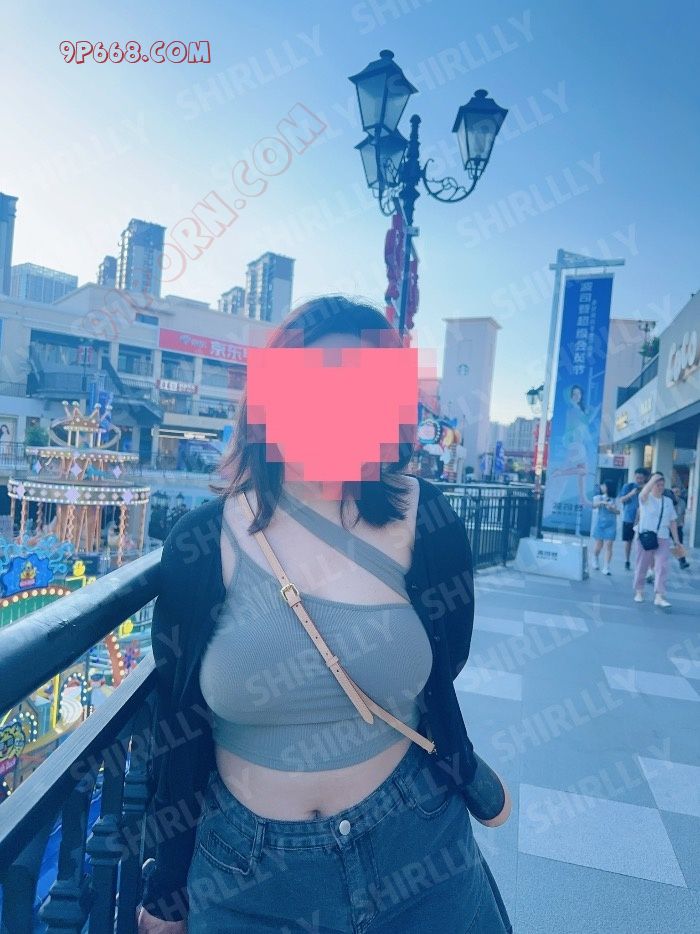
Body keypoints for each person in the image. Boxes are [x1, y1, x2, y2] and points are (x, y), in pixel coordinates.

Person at [138, 297, 512, 933]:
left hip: (420, 848)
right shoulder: (202, 542)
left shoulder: (429, 520)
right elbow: (179, 722)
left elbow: (446, 660)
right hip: (248, 877)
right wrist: (168, 889)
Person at [633, 472, 683, 607]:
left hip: (663, 537)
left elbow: (672, 521)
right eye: (657, 485)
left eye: (662, 485)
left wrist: (676, 540)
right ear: (651, 485)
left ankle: (659, 596)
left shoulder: (668, 501)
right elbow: (642, 494)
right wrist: (652, 479)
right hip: (646, 537)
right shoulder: (646, 498)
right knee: (642, 565)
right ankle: (639, 591)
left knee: (662, 566)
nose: (660, 487)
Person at [619, 467, 650, 570]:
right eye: (637, 477)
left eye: (641, 478)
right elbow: (621, 500)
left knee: (642, 541)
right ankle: (627, 560)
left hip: (644, 519)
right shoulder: (628, 486)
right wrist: (631, 494)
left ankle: (641, 563)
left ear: (645, 478)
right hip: (629, 518)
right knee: (628, 541)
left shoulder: (648, 488)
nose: (639, 480)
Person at [591, 480, 619, 574]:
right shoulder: (598, 497)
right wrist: (602, 502)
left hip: (611, 525)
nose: (601, 487)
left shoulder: (615, 499)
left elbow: (618, 511)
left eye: (603, 485)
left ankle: (606, 567)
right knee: (599, 545)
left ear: (608, 487)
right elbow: (593, 505)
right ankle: (595, 558)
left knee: (609, 545)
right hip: (600, 524)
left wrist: (612, 508)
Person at [671, 485, 690, 570]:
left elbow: (683, 513)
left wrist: (682, 522)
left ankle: (682, 562)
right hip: (667, 526)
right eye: (674, 492)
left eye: (677, 492)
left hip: (678, 526)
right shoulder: (668, 501)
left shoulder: (682, 502)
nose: (676, 494)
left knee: (679, 543)